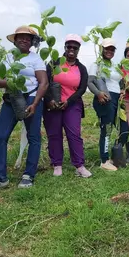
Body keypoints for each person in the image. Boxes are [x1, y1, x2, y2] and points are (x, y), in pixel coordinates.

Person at [0, 26, 48, 191]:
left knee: (33, 137)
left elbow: (43, 82)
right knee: (0, 135)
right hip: (11, 99)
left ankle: (28, 175)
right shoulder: (8, 58)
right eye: (21, 37)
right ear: (15, 40)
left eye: (28, 38)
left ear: (32, 42)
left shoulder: (36, 59)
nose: (24, 40)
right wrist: (11, 83)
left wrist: (35, 103)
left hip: (31, 98)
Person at [43, 34, 92, 178]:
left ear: (78, 49)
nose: (71, 49)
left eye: (74, 47)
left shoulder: (81, 68)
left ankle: (79, 165)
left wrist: (69, 101)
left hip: (72, 104)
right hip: (53, 104)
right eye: (69, 46)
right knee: (54, 134)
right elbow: (45, 83)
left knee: (74, 134)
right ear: (65, 47)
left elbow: (82, 88)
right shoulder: (54, 63)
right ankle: (57, 164)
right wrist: (49, 100)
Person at [87, 38, 129, 170]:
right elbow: (90, 82)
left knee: (125, 128)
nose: (109, 51)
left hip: (117, 98)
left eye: (112, 49)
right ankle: (104, 160)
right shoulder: (97, 65)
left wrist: (122, 90)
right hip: (105, 98)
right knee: (107, 129)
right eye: (107, 48)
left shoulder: (115, 66)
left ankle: (115, 155)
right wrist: (98, 94)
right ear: (101, 49)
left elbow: (120, 82)